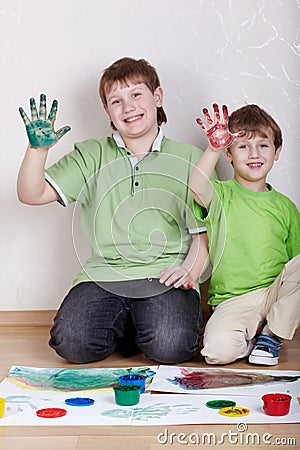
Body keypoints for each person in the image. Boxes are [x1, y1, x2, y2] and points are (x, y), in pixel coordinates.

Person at [17, 57, 210, 364]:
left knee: (170, 347)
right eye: (115, 100)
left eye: (136, 94)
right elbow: (32, 193)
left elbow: (202, 237)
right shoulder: (91, 154)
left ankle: (141, 324)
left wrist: (189, 272)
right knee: (72, 345)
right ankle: (132, 323)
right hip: (104, 275)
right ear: (107, 111)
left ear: (157, 97)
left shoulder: (191, 158)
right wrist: (37, 151)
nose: (128, 106)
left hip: (165, 275)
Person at [189, 103, 300, 366]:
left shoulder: (285, 206)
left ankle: (271, 335)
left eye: (263, 145)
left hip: (275, 294)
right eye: (242, 146)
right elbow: (196, 186)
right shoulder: (221, 195)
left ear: (277, 152)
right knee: (217, 352)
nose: (254, 153)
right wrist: (213, 147)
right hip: (233, 301)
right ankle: (254, 340)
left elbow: (295, 263)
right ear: (228, 155)